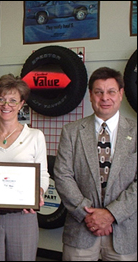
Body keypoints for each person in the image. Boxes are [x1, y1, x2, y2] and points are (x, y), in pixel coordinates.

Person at [53, 67, 137, 261]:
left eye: (111, 92)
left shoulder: (136, 132)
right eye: (99, 92)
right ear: (90, 95)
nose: (105, 98)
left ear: (121, 94)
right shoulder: (71, 132)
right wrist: (89, 215)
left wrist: (111, 214)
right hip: (81, 230)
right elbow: (62, 176)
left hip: (123, 232)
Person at [0, 74, 49, 261]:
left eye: (13, 100)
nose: (6, 105)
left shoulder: (35, 136)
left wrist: (38, 192)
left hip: (23, 217)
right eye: (1, 99)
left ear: (22, 104)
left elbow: (43, 174)